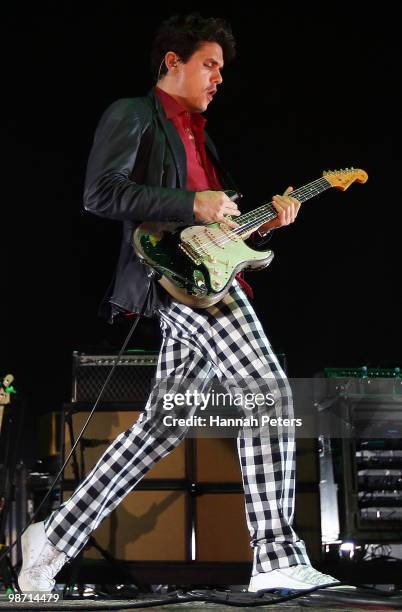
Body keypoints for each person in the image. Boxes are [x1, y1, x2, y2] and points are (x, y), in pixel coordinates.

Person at [18, 14, 339, 594]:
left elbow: (221, 229)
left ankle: (53, 537)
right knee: (268, 392)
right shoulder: (134, 115)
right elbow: (101, 192)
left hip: (207, 279)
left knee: (160, 427)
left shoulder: (201, 135)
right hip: (173, 278)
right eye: (210, 64)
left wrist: (263, 222)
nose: (219, 77)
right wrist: (194, 204)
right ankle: (275, 556)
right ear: (173, 61)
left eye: (222, 69)